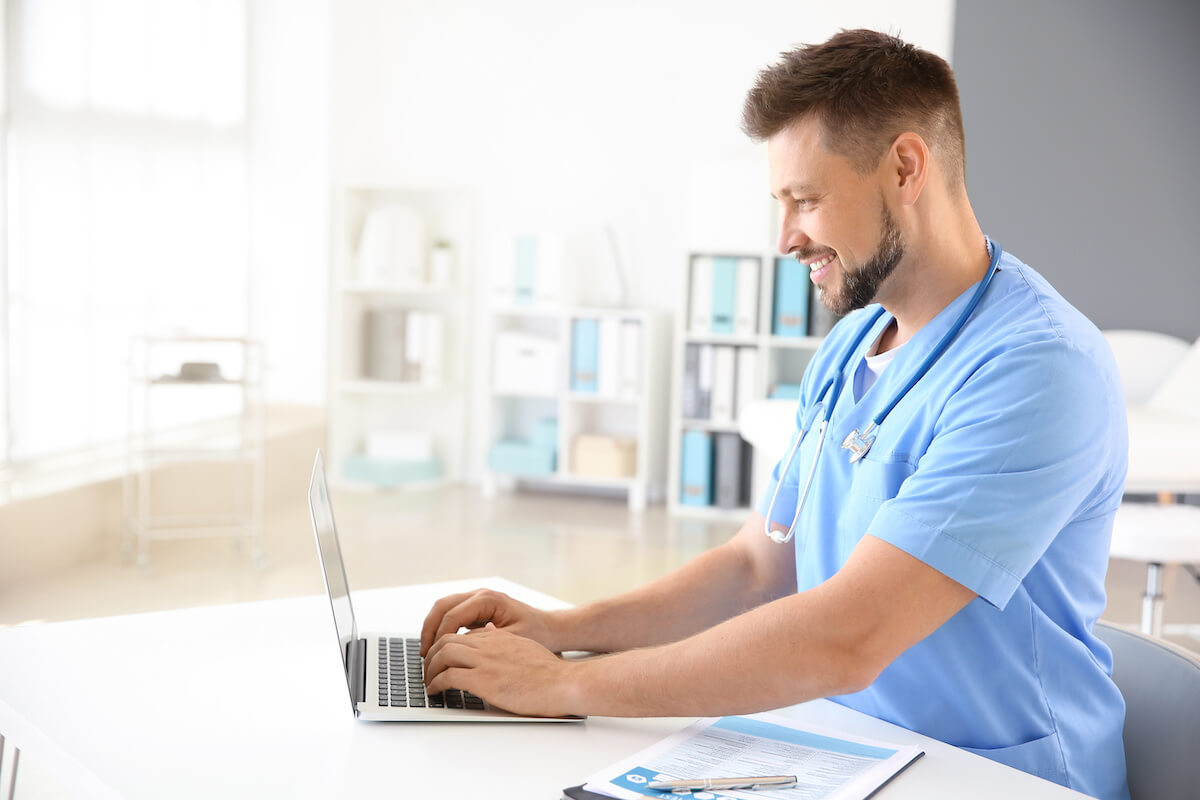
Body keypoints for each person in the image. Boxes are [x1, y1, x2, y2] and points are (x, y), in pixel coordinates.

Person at [421, 29, 1129, 800]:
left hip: (999, 777)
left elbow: (848, 637)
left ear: (904, 168)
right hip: (856, 752)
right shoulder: (855, 340)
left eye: (807, 199)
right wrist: (562, 632)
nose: (786, 238)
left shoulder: (1036, 370)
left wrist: (565, 689)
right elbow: (759, 568)